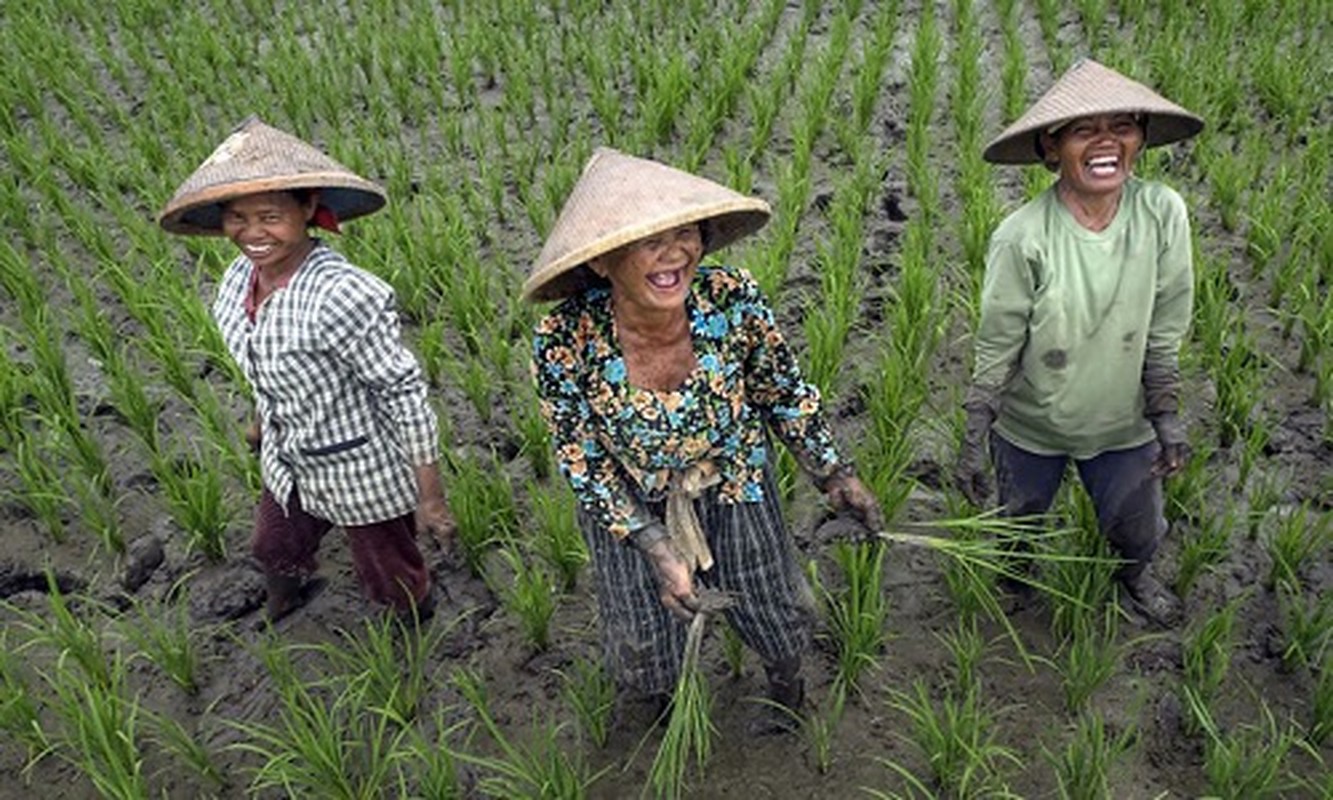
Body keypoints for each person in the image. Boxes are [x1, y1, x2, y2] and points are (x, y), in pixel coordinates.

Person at [524, 147, 883, 731]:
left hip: (734, 477)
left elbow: (781, 392)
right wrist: (654, 543)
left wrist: (835, 473)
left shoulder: (731, 297)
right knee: (645, 624)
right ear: (602, 262)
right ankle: (667, 709)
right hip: (630, 502)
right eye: (648, 241)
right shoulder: (566, 336)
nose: (675, 253)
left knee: (769, 595)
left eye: (685, 232)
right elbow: (580, 459)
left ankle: (786, 695)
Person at [158, 117, 454, 622]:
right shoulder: (236, 280)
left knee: (389, 575)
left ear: (308, 208)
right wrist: (259, 422)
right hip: (287, 457)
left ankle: (411, 627)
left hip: (359, 466)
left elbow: (405, 395)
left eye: (270, 216)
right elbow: (260, 360)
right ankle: (285, 602)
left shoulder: (343, 295)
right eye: (237, 218)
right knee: (272, 547)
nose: (252, 233)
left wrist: (431, 498)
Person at [954, 59, 1204, 625]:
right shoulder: (1022, 236)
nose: (1106, 142)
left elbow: (1167, 320)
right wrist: (974, 433)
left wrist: (1165, 413)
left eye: (1122, 126)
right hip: (1032, 422)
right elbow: (998, 342)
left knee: (1137, 528)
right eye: (1085, 130)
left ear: (1141, 137)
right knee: (1018, 522)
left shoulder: (1161, 212)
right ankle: (1017, 585)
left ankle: (1135, 579)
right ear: (1051, 146)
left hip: (1123, 422)